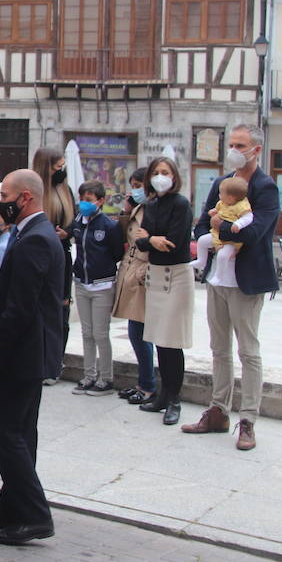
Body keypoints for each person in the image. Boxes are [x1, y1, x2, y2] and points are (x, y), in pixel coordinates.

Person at [0, 168, 64, 545]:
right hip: (29, 351)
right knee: (20, 432)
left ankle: (36, 514)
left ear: (26, 197)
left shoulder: (35, 239)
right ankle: (13, 508)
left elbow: (20, 308)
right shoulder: (31, 233)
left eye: (5, 195)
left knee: (3, 430)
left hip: (25, 353)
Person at [183, 124, 280, 451]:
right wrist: (210, 236)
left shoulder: (265, 187)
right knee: (219, 349)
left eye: (240, 145)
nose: (234, 150)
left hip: (247, 282)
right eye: (232, 144)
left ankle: (248, 419)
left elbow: (254, 233)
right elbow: (201, 225)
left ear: (256, 149)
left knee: (248, 351)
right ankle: (218, 411)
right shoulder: (221, 183)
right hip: (217, 278)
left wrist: (220, 228)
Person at [135, 157, 193, 426]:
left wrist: (151, 239)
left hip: (177, 274)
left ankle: (174, 399)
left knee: (173, 341)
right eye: (156, 172)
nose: (161, 176)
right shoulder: (151, 204)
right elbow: (140, 241)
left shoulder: (180, 204)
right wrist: (152, 240)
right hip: (156, 275)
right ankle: (162, 395)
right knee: (159, 338)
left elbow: (174, 242)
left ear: (174, 176)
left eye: (165, 172)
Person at [69, 180, 124, 396]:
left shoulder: (109, 226)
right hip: (81, 284)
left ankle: (106, 378)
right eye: (82, 199)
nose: (84, 203)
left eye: (89, 200)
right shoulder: (77, 222)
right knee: (86, 332)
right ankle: (89, 376)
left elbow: (117, 253)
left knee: (101, 334)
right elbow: (70, 236)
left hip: (102, 285)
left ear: (100, 201)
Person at [111, 168, 157, 405]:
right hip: (131, 269)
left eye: (138, 185)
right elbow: (122, 235)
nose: (134, 190)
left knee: (141, 333)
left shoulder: (155, 210)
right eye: (133, 185)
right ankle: (143, 383)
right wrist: (126, 211)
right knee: (135, 331)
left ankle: (148, 386)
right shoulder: (138, 209)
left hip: (143, 273)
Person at [32, 147, 75, 382]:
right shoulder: (35, 192)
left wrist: (67, 232)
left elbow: (75, 223)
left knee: (61, 310)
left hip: (62, 255)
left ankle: (55, 361)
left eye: (63, 166)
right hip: (40, 255)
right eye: (57, 167)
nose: (62, 171)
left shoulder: (66, 191)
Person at [191, 176, 253, 284]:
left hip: (231, 240)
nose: (219, 195)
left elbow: (248, 217)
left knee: (222, 256)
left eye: (221, 193)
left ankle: (219, 276)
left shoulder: (242, 206)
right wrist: (213, 212)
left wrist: (239, 224)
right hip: (216, 234)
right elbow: (217, 209)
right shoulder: (222, 203)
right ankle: (201, 260)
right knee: (202, 241)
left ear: (230, 198)